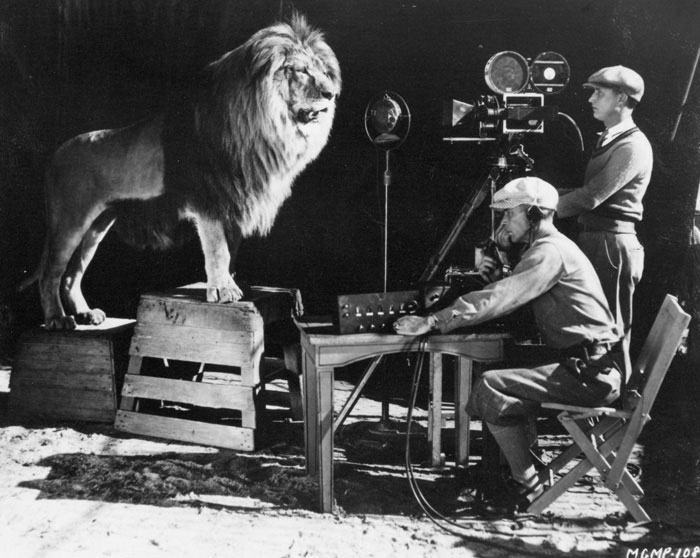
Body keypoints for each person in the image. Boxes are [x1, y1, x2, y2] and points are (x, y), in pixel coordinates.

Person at [393, 176, 623, 514]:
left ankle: (526, 487)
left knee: (491, 385)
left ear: (534, 215)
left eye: (509, 215)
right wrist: (504, 255)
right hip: (588, 366)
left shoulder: (549, 252)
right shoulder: (549, 248)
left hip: (588, 376)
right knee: (502, 371)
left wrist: (433, 321)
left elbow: (502, 296)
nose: (503, 224)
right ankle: (505, 473)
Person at [557, 65, 653, 380]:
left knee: (612, 331)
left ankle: (620, 402)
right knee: (595, 328)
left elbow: (591, 197)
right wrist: (542, 195)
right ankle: (598, 396)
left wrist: (541, 207)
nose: (591, 100)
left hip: (612, 246)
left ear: (622, 98)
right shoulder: (611, 138)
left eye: (599, 93)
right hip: (597, 240)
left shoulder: (632, 146)